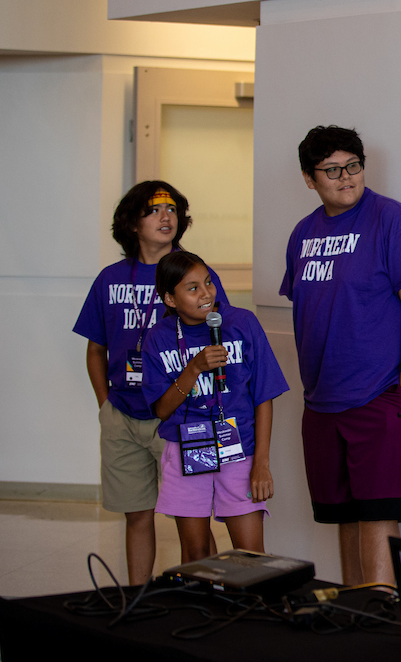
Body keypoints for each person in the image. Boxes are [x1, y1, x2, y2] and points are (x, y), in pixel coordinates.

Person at [280, 125, 401, 586]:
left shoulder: (394, 222)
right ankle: (354, 617)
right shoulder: (302, 234)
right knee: (342, 515)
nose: (346, 177)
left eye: (353, 166)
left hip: (380, 398)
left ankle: (380, 623)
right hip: (323, 404)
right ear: (310, 179)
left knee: (377, 515)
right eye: (332, 170)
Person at [72, 182, 229, 584]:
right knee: (136, 516)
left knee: (192, 521)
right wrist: (106, 404)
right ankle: (138, 599)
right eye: (154, 210)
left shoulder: (196, 275)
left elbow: (219, 337)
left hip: (182, 414)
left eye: (172, 209)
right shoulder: (110, 279)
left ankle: (206, 595)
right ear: (132, 223)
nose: (166, 216)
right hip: (123, 414)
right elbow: (96, 350)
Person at [142, 251, 288, 562]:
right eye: (192, 288)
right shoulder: (158, 338)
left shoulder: (242, 323)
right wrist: (193, 368)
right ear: (170, 299)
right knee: (195, 555)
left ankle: (251, 610)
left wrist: (261, 463)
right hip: (186, 450)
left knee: (250, 556)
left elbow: (264, 396)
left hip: (240, 452)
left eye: (208, 282)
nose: (206, 293)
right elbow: (161, 410)